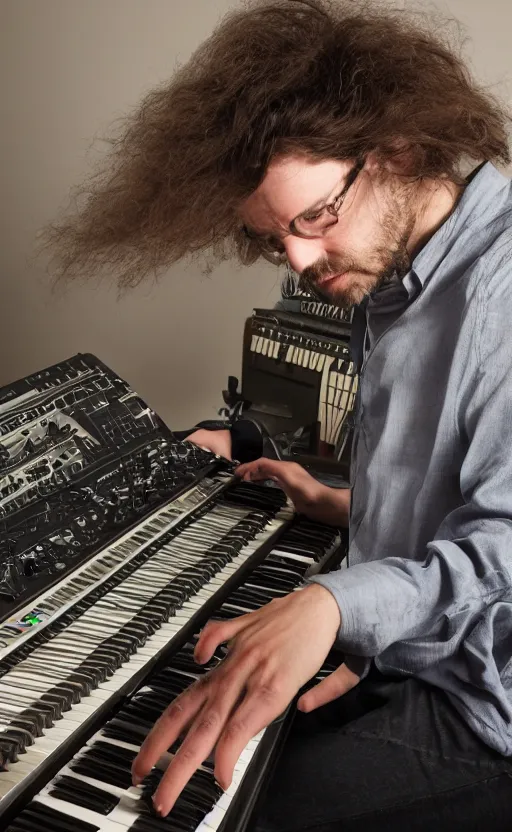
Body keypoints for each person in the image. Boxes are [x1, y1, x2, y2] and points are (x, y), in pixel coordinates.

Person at [46, 1, 512, 828]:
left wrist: (333, 604)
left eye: (314, 218)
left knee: (205, 810)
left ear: (399, 150)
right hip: (405, 655)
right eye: (272, 240)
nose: (297, 261)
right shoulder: (394, 273)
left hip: (481, 707)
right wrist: (344, 509)